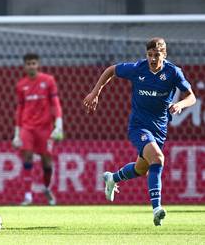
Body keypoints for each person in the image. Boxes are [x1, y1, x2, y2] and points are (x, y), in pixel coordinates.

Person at [83, 38, 196, 226]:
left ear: (164, 55)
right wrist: (95, 93)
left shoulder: (173, 72)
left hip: (159, 129)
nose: (152, 59)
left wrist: (180, 104)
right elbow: (111, 70)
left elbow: (191, 96)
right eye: (150, 55)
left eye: (157, 55)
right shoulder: (138, 69)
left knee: (141, 168)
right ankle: (156, 208)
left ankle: (113, 178)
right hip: (138, 127)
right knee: (158, 159)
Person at [11, 53, 63, 206]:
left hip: (45, 128)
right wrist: (16, 134)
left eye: (33, 63)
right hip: (27, 127)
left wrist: (58, 125)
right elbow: (19, 109)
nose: (31, 66)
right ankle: (28, 195)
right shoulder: (21, 85)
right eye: (28, 64)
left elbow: (55, 104)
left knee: (47, 162)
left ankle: (47, 188)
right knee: (27, 157)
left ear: (38, 64)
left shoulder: (48, 81)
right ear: (24, 66)